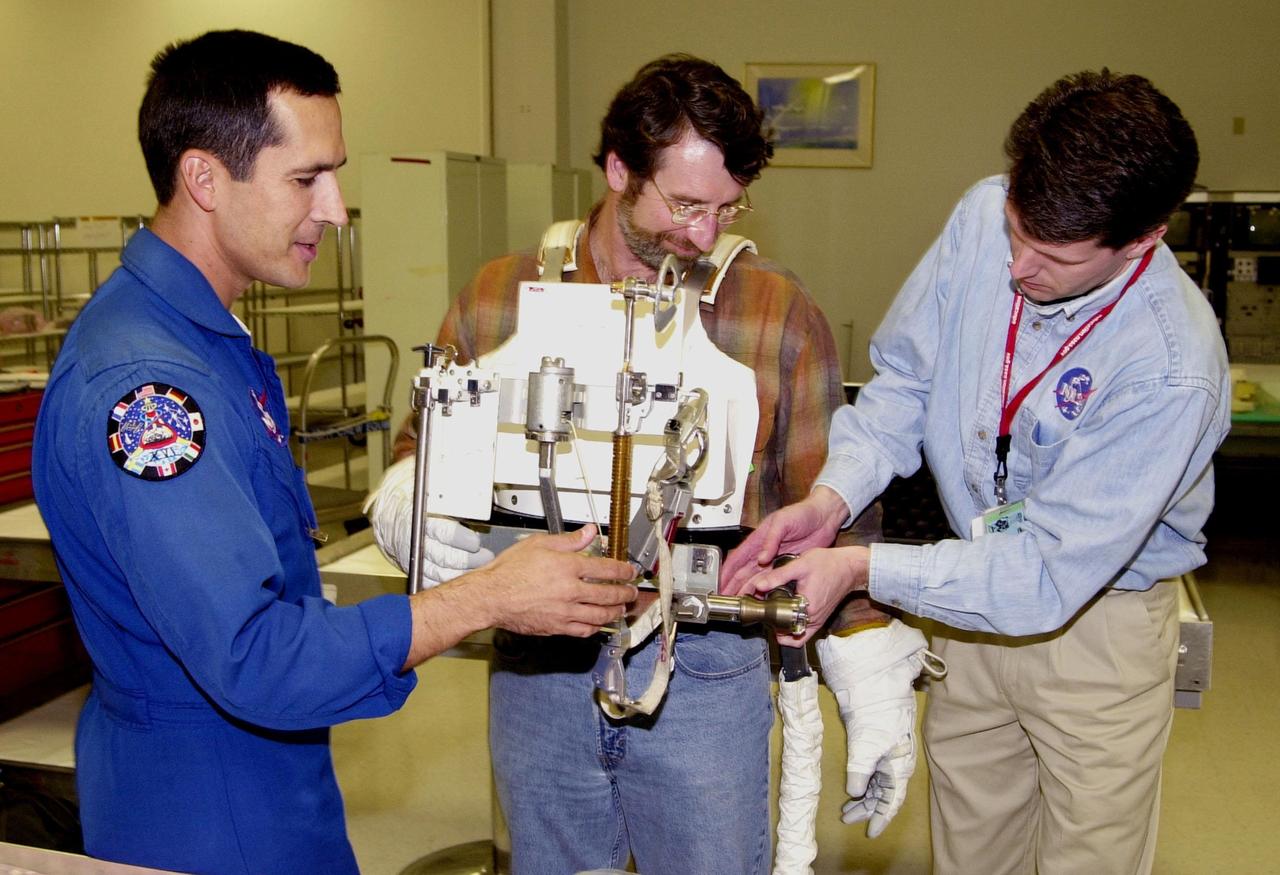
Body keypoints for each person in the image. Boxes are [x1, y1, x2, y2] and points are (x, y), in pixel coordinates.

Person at [31, 29, 634, 875]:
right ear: (203, 177)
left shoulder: (201, 337)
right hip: (210, 809)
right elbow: (254, 654)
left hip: (260, 775)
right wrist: (485, 597)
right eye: (307, 178)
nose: (338, 208)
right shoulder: (150, 389)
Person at [366, 54, 894, 874]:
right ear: (618, 169)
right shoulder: (501, 300)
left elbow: (833, 503)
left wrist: (869, 667)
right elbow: (417, 453)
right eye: (684, 204)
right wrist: (412, 506)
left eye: (726, 207)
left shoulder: (774, 313)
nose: (705, 233)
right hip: (539, 666)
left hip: (708, 666)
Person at [722, 69, 1230, 874]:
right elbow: (906, 384)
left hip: (1094, 628)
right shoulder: (980, 217)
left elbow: (1043, 571)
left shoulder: (1171, 367)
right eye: (1018, 229)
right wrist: (833, 495)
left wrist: (860, 565)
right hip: (965, 604)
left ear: (1144, 239)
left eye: (1055, 256)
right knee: (969, 853)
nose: (1020, 266)